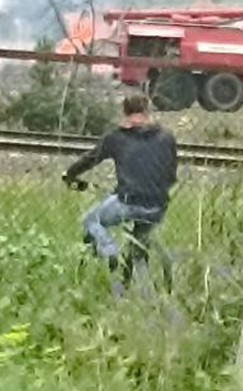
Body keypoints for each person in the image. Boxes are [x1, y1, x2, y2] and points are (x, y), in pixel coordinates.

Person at [63, 94, 178, 276]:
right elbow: (171, 175)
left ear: (124, 112)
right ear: (147, 111)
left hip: (128, 201)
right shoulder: (166, 137)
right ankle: (135, 286)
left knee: (90, 220)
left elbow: (90, 160)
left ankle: (110, 252)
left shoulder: (116, 137)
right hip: (158, 205)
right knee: (138, 245)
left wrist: (69, 174)